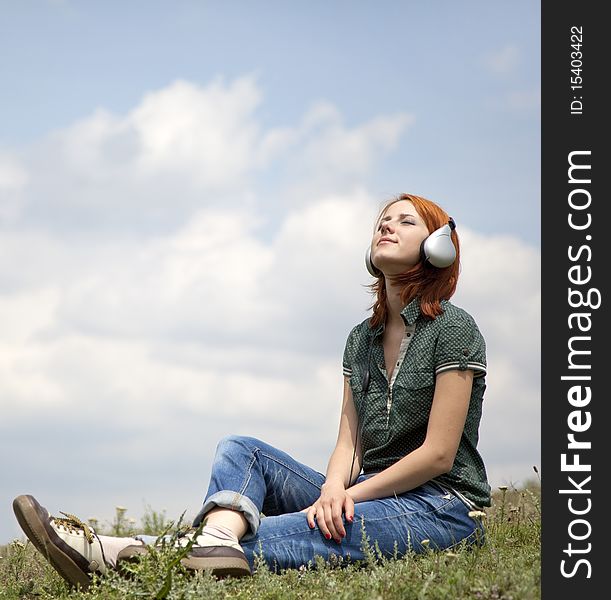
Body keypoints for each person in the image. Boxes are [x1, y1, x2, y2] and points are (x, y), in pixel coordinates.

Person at [12, 193, 491, 589]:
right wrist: (331, 488)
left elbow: (437, 456)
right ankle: (216, 538)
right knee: (242, 449)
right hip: (366, 494)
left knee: (277, 536)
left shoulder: (453, 329)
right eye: (382, 222)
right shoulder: (358, 340)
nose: (386, 227)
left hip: (439, 508)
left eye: (404, 222)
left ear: (437, 246)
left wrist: (350, 495)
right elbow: (350, 443)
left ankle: (107, 554)